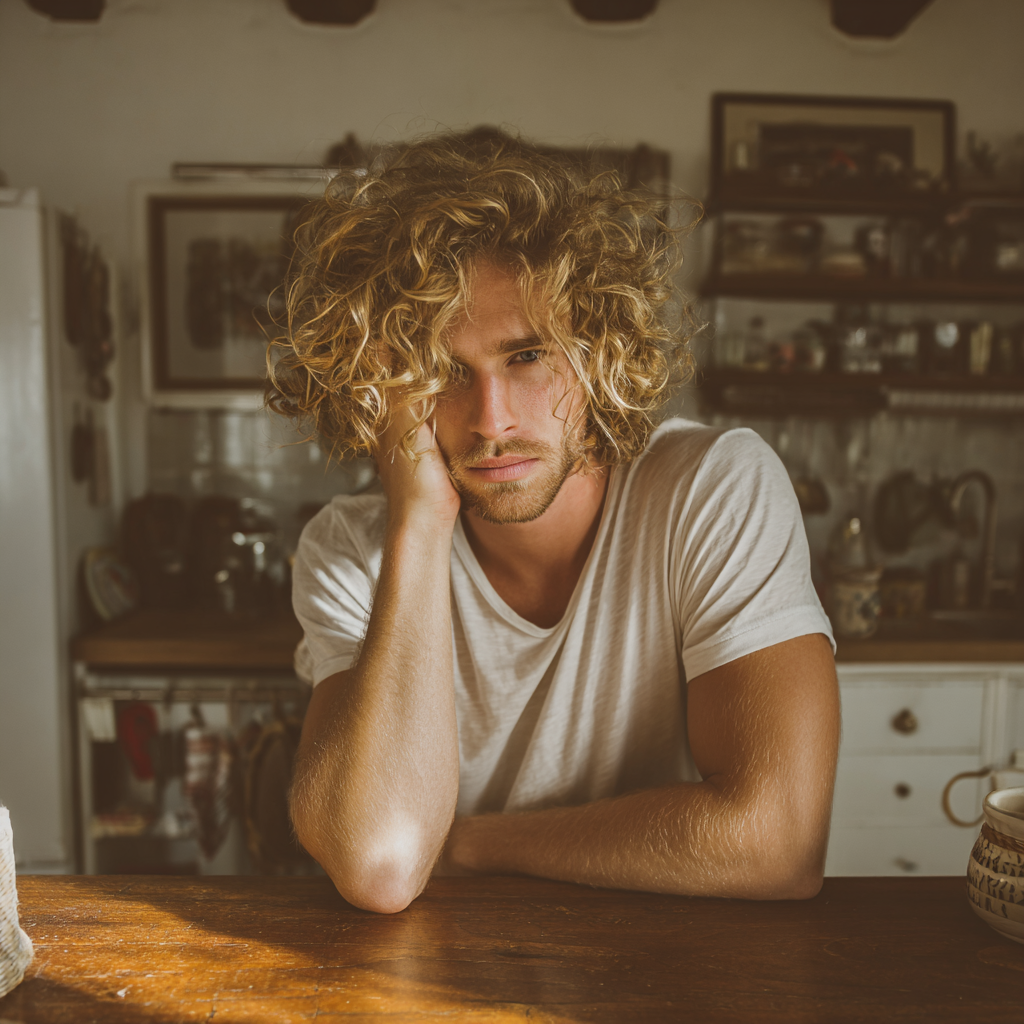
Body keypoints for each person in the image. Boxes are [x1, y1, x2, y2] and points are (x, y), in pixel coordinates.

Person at [268, 129, 840, 915]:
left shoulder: (711, 487)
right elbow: (382, 865)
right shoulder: (351, 551)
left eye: (528, 356)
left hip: (665, 967)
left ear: (599, 350)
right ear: (386, 388)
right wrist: (420, 526)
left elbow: (777, 843)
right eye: (442, 373)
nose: (491, 420)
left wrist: (469, 844)